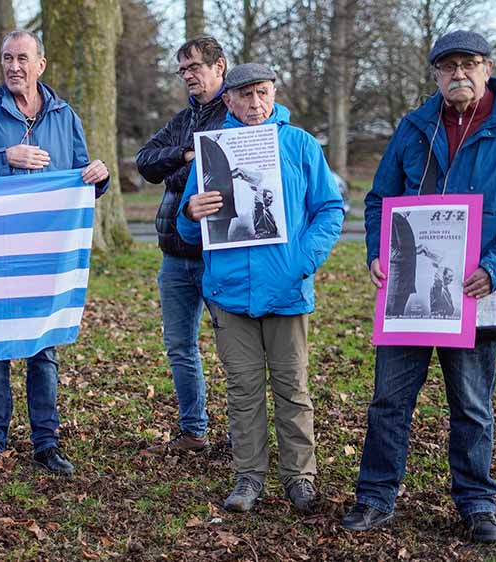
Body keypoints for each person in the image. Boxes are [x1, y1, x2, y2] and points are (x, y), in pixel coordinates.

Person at [341, 30, 496, 543]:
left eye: (469, 63)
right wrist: (377, 249)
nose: (458, 73)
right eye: (448, 66)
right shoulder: (415, 126)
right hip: (410, 292)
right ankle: (375, 498)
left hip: (475, 292)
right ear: (436, 74)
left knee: (472, 405)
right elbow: (380, 198)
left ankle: (478, 503)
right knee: (389, 402)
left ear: (487, 69)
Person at [0, 30, 109, 477]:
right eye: (7, 58)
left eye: (22, 58)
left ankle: (46, 443)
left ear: (41, 64)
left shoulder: (64, 114)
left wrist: (100, 174)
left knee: (43, 348)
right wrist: (5, 157)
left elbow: (82, 179)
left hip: (44, 250)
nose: (14, 66)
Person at [178, 63, 344, 514]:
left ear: (274, 93)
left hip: (287, 290)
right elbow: (189, 230)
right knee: (243, 389)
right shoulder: (212, 151)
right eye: (245, 96)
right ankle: (249, 475)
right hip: (229, 292)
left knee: (292, 388)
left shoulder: (300, 144)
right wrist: (191, 212)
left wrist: (302, 260)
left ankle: (300, 478)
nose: (255, 104)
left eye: (263, 93)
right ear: (227, 100)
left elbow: (330, 209)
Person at [135, 36, 228, 455]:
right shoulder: (182, 121)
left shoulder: (235, 115)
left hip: (219, 255)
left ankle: (244, 434)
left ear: (219, 67)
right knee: (180, 347)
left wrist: (182, 167)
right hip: (174, 255)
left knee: (235, 350)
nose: (189, 75)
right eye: (183, 70)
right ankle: (194, 431)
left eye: (195, 67)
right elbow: (145, 162)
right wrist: (186, 156)